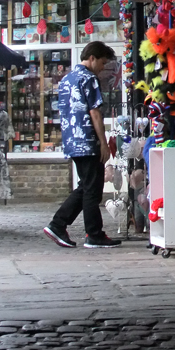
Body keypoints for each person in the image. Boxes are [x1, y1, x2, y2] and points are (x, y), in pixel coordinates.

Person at [43, 41, 120, 248]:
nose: (103, 68)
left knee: (87, 185)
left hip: (71, 140)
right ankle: (92, 233)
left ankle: (59, 224)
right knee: (93, 189)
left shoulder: (67, 79)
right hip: (87, 140)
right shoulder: (89, 79)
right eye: (102, 63)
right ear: (92, 58)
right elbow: (95, 112)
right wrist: (103, 143)